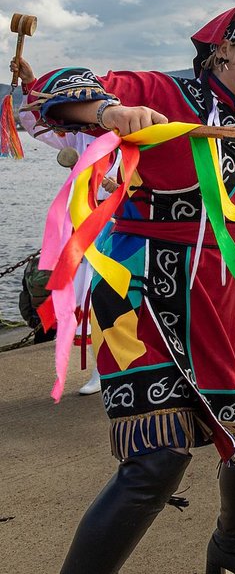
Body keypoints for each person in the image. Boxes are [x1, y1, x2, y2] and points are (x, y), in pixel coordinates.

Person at [26, 4, 235, 574]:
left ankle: (231, 551)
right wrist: (110, 109)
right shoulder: (163, 92)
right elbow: (55, 88)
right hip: (148, 291)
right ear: (223, 52)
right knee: (156, 460)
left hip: (230, 296)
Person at [11, 55, 110, 395]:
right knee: (89, 295)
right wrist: (30, 83)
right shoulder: (74, 136)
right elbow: (34, 122)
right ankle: (101, 370)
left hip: (125, 226)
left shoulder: (127, 130)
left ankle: (132, 368)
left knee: (126, 298)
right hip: (84, 228)